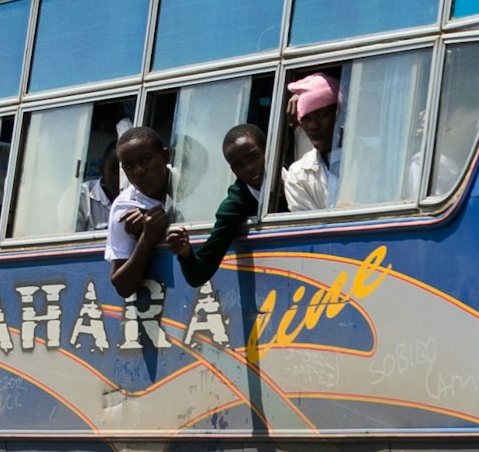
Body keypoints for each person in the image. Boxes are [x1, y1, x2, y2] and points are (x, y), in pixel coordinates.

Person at [103, 121, 186, 300]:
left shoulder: (187, 183)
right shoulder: (125, 208)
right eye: (129, 167)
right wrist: (146, 240)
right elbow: (122, 286)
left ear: (164, 156)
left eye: (145, 160)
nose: (139, 171)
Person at [180, 124, 268, 285]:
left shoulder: (299, 175)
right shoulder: (236, 204)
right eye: (239, 165)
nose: (249, 168)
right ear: (233, 170)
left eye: (253, 156)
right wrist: (185, 254)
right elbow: (200, 273)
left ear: (268, 149)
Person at [278, 69, 340, 212]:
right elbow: (310, 230)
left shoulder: (368, 159)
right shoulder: (298, 175)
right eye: (305, 118)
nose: (313, 126)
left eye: (322, 115)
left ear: (339, 114)